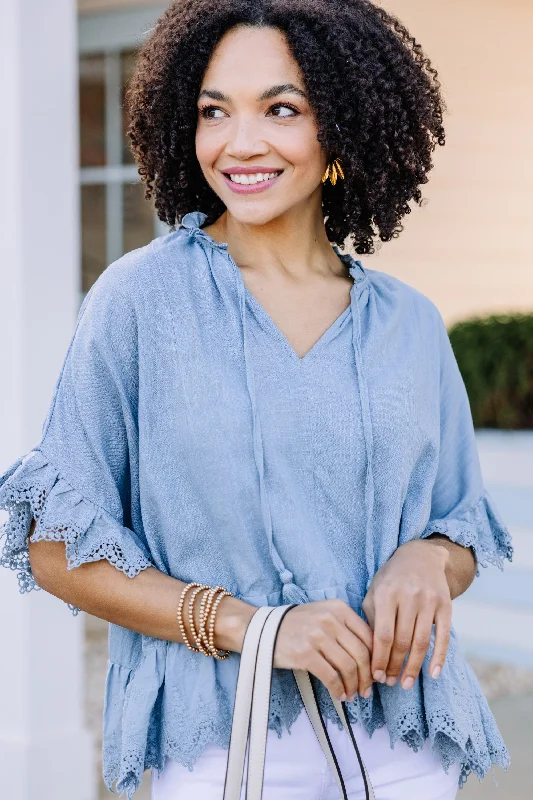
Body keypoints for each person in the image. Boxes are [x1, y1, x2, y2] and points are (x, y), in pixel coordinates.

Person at [0, 1, 513, 799]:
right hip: (221, 745)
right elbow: (54, 543)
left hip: (405, 742)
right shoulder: (142, 300)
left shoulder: (407, 322)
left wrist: (427, 560)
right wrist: (255, 626)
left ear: (339, 127)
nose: (239, 143)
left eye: (281, 109)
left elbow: (460, 526)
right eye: (213, 111)